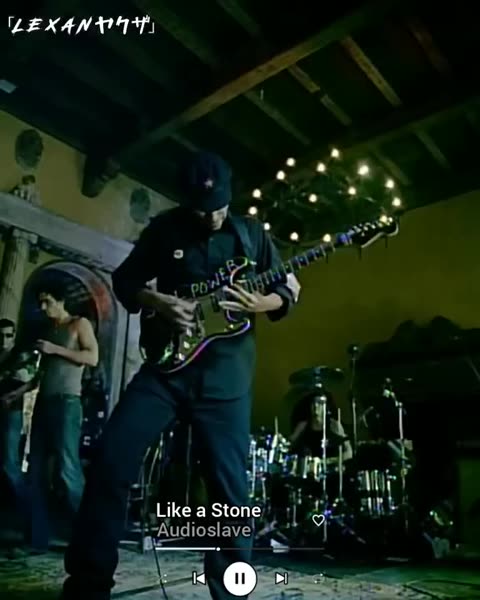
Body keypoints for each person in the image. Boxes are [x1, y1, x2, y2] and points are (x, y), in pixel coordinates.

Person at [60, 151, 300, 600]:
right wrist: (158, 301)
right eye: (202, 209)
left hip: (227, 379)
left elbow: (287, 288)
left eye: (219, 206)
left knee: (230, 493)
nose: (212, 218)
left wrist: (263, 303)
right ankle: (87, 584)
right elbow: (126, 280)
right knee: (111, 457)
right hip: (166, 373)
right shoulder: (164, 229)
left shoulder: (251, 233)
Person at [27, 281, 98, 551]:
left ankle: (89, 537)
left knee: (67, 469)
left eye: (48, 301)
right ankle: (37, 538)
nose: (43, 307)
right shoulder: (49, 330)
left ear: (61, 301)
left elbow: (92, 358)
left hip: (67, 403)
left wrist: (54, 349)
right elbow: (42, 372)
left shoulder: (79, 324)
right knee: (36, 470)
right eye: (40, 302)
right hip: (44, 402)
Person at [290, 390, 352, 462]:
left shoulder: (334, 425)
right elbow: (289, 445)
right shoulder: (303, 426)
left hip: (330, 466)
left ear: (325, 406)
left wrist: (330, 461)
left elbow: (349, 453)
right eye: (313, 403)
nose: (316, 406)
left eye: (319, 403)